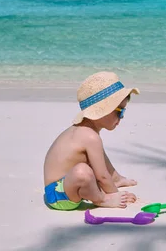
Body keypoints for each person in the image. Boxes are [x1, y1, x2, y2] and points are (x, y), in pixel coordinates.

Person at [43, 71, 140, 210]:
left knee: (96, 157)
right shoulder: (90, 136)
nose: (122, 117)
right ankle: (101, 200)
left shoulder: (84, 131)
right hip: (59, 196)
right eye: (120, 112)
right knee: (83, 171)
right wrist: (114, 195)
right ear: (104, 110)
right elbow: (102, 176)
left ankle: (116, 178)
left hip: (64, 186)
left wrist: (114, 179)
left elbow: (102, 164)